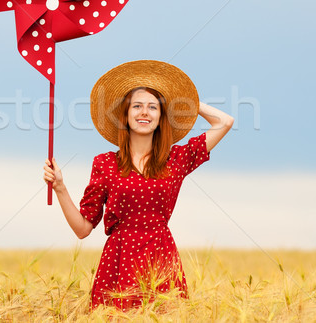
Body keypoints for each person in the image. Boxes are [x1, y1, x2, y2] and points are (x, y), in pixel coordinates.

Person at [43, 60, 234, 310]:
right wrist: (60, 187)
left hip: (161, 258)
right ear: (125, 115)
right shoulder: (105, 163)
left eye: (153, 107)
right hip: (118, 261)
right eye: (137, 106)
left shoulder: (176, 160)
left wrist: (186, 101)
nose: (144, 112)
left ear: (161, 117)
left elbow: (224, 122)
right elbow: (83, 229)